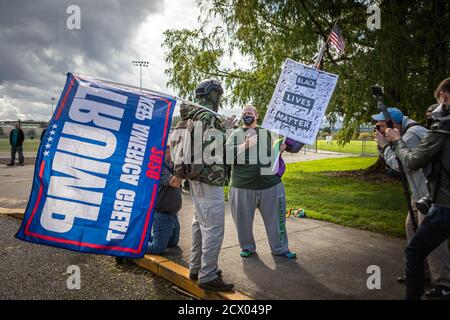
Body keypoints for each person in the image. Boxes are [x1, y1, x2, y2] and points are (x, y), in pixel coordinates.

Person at [373, 107, 450, 298]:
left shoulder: (413, 134)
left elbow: (400, 164)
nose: (379, 129)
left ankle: (443, 283)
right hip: (421, 191)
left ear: (394, 124)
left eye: (382, 125)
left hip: (429, 193)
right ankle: (420, 272)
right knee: (411, 227)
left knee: (430, 239)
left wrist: (383, 145)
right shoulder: (409, 131)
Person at [176, 79, 236, 292]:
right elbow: (218, 151)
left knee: (199, 224)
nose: (219, 98)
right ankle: (208, 274)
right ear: (212, 94)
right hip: (209, 179)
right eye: (218, 94)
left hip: (195, 179)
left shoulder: (194, 114)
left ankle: (196, 267)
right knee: (213, 227)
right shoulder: (208, 116)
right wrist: (229, 132)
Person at [225, 105, 297, 259]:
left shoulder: (265, 133)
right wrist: (245, 145)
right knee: (243, 222)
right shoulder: (236, 133)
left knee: (276, 221)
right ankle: (247, 247)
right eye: (244, 113)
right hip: (242, 186)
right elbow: (227, 156)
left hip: (270, 185)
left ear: (256, 115)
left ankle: (280, 249)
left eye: (250, 113)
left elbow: (272, 155)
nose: (247, 115)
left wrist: (280, 148)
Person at [146, 147, 183, 255]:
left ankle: (144, 238)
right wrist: (183, 167)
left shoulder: (170, 165)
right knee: (157, 248)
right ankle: (130, 246)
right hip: (162, 215)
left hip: (173, 216)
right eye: (171, 152)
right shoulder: (159, 167)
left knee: (172, 243)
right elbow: (175, 182)